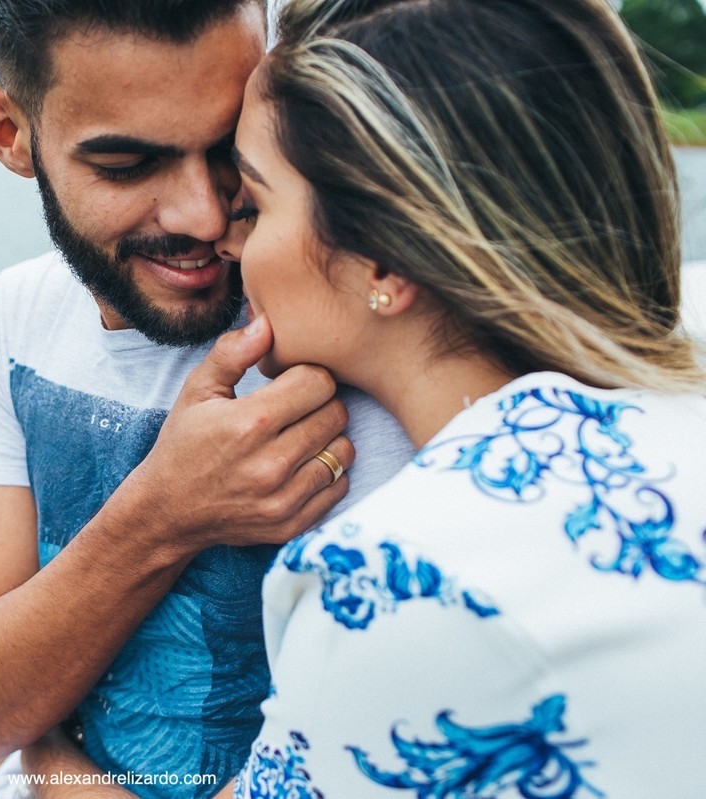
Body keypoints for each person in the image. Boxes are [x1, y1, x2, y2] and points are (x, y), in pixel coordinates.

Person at [0, 0, 415, 795]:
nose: (205, 214)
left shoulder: (346, 326)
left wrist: (46, 748)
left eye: (231, 150)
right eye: (126, 165)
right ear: (9, 134)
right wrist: (163, 512)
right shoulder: (20, 312)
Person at [211, 0, 706, 795]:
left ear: (381, 260)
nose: (228, 241)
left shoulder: (398, 575)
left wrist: (43, 763)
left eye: (254, 205)